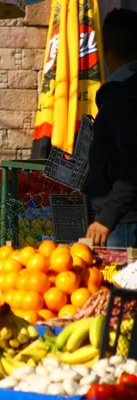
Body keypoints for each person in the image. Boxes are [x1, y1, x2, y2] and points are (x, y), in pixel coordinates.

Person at [85, 8, 137, 248]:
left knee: (123, 285)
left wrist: (106, 218)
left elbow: (133, 165)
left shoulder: (121, 98)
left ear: (104, 48)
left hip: (124, 222)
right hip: (122, 218)